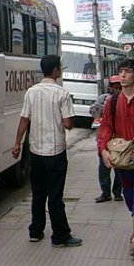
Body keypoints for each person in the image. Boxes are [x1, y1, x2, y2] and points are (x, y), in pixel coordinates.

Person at [12, 54, 81, 247]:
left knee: (38, 193)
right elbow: (68, 124)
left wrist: (17, 144)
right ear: (55, 71)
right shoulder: (61, 94)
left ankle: (36, 231)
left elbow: (24, 119)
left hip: (36, 151)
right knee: (55, 195)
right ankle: (60, 236)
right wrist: (65, 121)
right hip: (56, 152)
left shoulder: (32, 92)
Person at [97, 58, 134, 257]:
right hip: (122, 159)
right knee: (129, 196)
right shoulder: (111, 102)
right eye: (120, 71)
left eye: (127, 71)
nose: (122, 75)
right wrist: (103, 151)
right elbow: (105, 129)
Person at [90, 75, 123, 203]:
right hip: (105, 137)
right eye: (115, 87)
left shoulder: (126, 100)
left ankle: (117, 192)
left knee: (120, 167)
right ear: (110, 87)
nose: (117, 89)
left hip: (120, 140)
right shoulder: (103, 99)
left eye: (119, 87)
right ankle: (105, 192)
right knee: (104, 168)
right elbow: (94, 111)